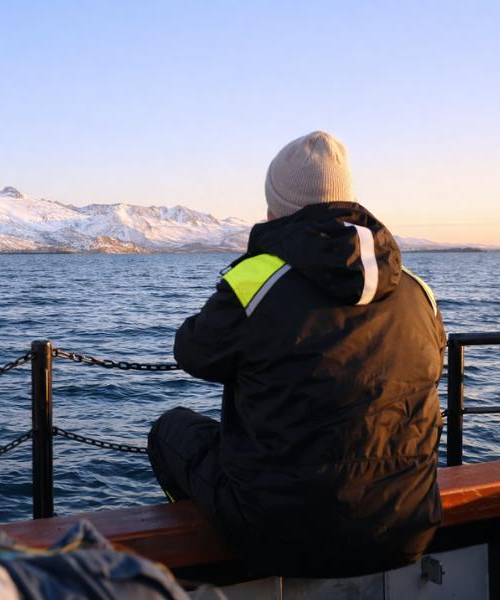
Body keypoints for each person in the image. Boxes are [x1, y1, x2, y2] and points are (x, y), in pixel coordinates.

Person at [147, 131, 446, 577]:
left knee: (168, 430)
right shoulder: (417, 290)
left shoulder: (258, 281)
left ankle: (204, 568)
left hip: (276, 537)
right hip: (407, 527)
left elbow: (191, 352)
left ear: (275, 208)